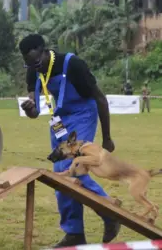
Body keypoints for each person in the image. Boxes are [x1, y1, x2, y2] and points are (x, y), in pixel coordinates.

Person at [18, 34, 120, 248]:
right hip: (60, 120)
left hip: (84, 115)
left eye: (36, 62)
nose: (35, 68)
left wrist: (107, 137)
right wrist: (29, 108)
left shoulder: (73, 64)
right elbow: (35, 110)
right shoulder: (33, 70)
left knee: (71, 168)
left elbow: (100, 98)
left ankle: (110, 211)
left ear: (44, 50)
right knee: (59, 175)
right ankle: (74, 233)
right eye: (29, 65)